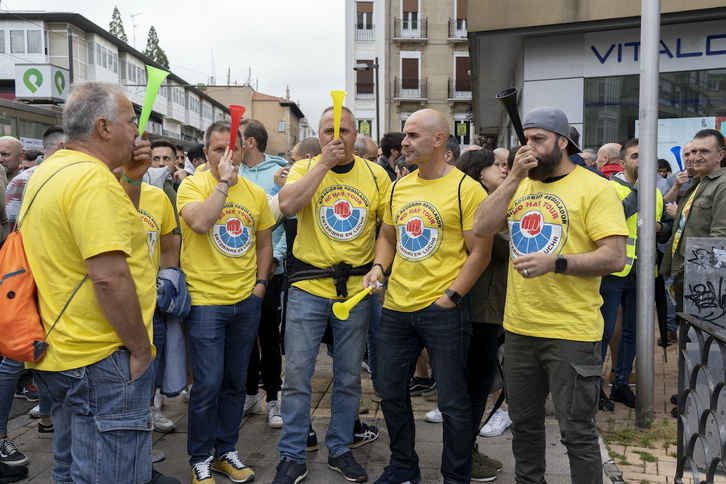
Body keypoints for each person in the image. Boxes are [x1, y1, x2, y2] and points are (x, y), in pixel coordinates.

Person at [472, 106, 627, 484]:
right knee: (525, 426)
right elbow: (481, 226)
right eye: (526, 140)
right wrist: (513, 179)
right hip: (520, 328)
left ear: (563, 141)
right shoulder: (522, 184)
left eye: (538, 139)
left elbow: (614, 256)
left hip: (571, 331)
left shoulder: (595, 187)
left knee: (577, 432)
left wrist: (556, 263)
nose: (530, 148)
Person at [20, 81, 158, 484]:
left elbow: (113, 237)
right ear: (104, 127)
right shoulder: (93, 182)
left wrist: (130, 178)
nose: (137, 131)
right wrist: (139, 350)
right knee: (111, 474)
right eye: (131, 122)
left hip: (61, 350)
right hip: (102, 356)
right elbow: (109, 277)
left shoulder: (50, 171)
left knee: (70, 467)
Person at [364, 109, 492, 484]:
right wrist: (378, 268)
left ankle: (456, 475)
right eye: (405, 135)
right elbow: (388, 237)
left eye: (413, 135)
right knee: (388, 391)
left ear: (439, 140)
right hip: (395, 307)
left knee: (453, 400)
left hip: (443, 310)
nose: (404, 142)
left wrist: (451, 296)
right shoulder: (397, 187)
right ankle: (403, 466)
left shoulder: (465, 188)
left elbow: (480, 252)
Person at [273, 107, 391, 484]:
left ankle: (340, 447)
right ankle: (292, 454)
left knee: (348, 377)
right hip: (308, 288)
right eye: (328, 130)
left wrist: (378, 269)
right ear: (319, 135)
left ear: (358, 135)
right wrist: (322, 166)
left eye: (344, 130)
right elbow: (287, 207)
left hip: (355, 292)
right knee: (296, 376)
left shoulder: (376, 174)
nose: (336, 137)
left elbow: (387, 231)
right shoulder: (304, 168)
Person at [177, 120, 274, 483]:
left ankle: (226, 451)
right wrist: (222, 182)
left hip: (245, 302)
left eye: (231, 150)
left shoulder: (253, 193)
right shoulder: (190, 186)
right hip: (205, 303)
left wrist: (260, 286)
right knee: (208, 384)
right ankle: (200, 457)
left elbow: (264, 244)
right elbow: (201, 223)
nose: (226, 158)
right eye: (218, 150)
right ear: (206, 153)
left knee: (237, 383)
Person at [600, 139, 672, 410]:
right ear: (623, 161)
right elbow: (614, 218)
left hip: (643, 273)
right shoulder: (609, 188)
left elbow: (667, 225)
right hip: (613, 270)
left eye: (647, 158)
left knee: (632, 332)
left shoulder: (653, 192)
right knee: (604, 332)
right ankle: (595, 388)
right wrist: (638, 191)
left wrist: (659, 227)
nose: (642, 162)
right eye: (635, 156)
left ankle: (620, 385)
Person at [237, 118, 288, 429]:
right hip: (236, 269)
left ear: (250, 142)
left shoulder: (279, 171)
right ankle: (248, 393)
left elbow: (281, 224)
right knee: (244, 335)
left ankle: (273, 398)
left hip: (270, 267)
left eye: (236, 139)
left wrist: (275, 259)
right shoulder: (233, 171)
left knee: (268, 335)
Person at [662, 129, 726, 314]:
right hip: (688, 272)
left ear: (720, 155)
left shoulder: (722, 184)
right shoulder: (699, 183)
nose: (696, 157)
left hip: (705, 280)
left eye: (704, 151)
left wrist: (710, 284)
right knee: (690, 337)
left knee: (703, 338)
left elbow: (720, 238)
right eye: (693, 151)